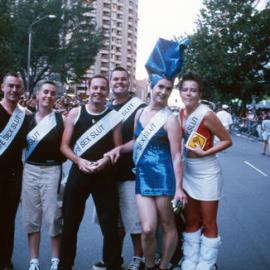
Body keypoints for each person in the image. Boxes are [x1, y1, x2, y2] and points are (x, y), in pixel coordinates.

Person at [106, 38, 189, 270]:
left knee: (167, 225)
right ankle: (150, 264)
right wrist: (119, 149)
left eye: (168, 88)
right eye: (160, 87)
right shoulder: (139, 113)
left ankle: (163, 265)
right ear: (152, 87)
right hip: (142, 178)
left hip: (164, 179)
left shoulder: (170, 120)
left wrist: (179, 188)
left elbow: (176, 155)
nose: (163, 91)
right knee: (148, 228)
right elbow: (135, 141)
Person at [58, 75, 123, 270]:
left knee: (109, 224)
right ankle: (65, 265)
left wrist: (105, 160)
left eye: (103, 88)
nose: (98, 91)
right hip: (80, 172)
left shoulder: (114, 118)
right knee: (70, 222)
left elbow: (117, 148)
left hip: (104, 174)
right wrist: (78, 161)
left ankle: (112, 265)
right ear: (88, 88)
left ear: (107, 91)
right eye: (95, 87)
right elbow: (64, 146)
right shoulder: (76, 113)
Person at [178, 72, 232, 270]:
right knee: (191, 220)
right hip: (189, 171)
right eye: (185, 90)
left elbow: (227, 140)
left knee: (209, 221)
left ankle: (207, 263)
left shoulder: (207, 114)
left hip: (208, 171)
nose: (189, 93)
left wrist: (206, 151)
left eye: (193, 90)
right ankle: (190, 260)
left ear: (199, 93)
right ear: (180, 92)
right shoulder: (181, 114)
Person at [93, 67, 145, 270]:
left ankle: (138, 259)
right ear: (110, 82)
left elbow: (139, 140)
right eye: (116, 79)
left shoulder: (139, 107)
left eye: (124, 79)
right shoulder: (105, 108)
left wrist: (118, 149)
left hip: (129, 172)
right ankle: (114, 258)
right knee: (112, 222)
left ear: (129, 82)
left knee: (133, 221)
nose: (120, 82)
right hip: (106, 174)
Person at [21, 81, 65, 270]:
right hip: (30, 170)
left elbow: (66, 147)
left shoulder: (60, 120)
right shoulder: (27, 120)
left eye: (52, 93)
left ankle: (55, 261)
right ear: (37, 95)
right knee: (31, 218)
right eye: (45, 92)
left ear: (56, 98)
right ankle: (34, 261)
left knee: (54, 217)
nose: (48, 95)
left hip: (52, 171)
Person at [0, 72, 30, 270]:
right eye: (10, 86)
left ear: (22, 90)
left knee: (7, 219)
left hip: (13, 175)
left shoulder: (25, 116)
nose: (13, 90)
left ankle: (4, 260)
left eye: (17, 86)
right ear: (2, 87)